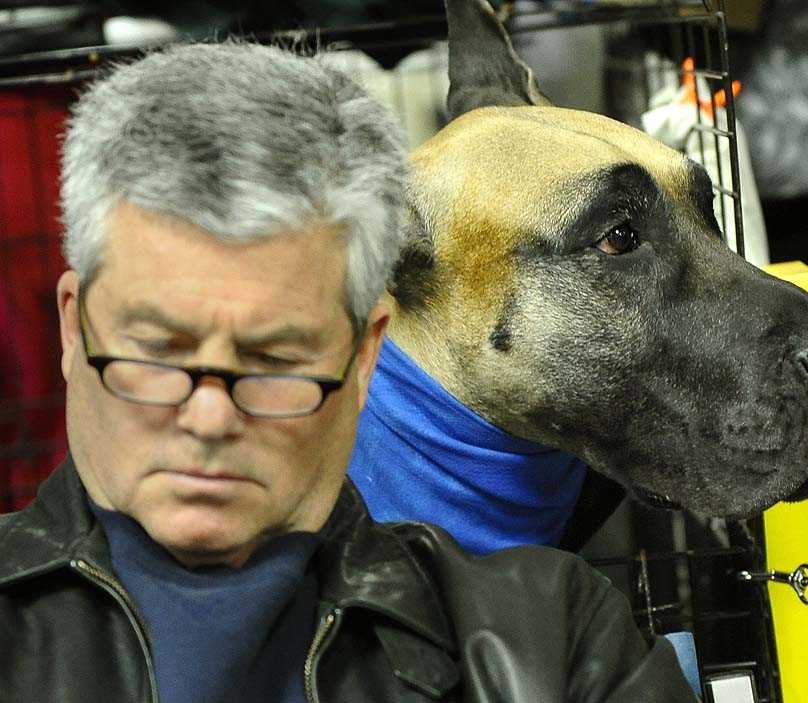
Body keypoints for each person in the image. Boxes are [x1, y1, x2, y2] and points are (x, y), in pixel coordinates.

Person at [0, 41, 698, 703]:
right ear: (74, 329)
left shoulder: (557, 641)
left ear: (363, 358)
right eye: (157, 350)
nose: (209, 418)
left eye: (274, 360)